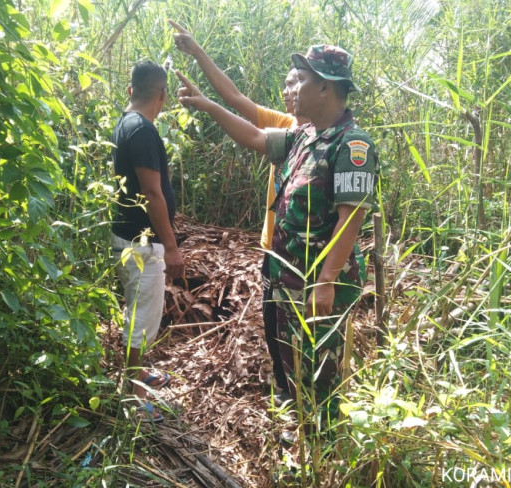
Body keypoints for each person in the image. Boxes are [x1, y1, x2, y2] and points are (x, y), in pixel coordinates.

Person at [176, 45, 379, 433]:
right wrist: (208, 106)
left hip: (318, 285)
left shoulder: (352, 145)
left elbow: (351, 215)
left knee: (320, 378)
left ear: (326, 88)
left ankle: (322, 454)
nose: (293, 87)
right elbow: (253, 135)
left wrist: (326, 281)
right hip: (288, 279)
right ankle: (302, 444)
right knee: (292, 366)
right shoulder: (303, 136)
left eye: (301, 79)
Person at [170, 19, 309, 403]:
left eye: (296, 81)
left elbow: (243, 126)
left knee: (300, 330)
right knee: (273, 324)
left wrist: (206, 101)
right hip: (273, 247)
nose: (288, 90)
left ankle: (301, 398)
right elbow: (235, 98)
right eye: (285, 82)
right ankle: (286, 392)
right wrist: (197, 52)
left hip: (305, 258)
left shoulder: (321, 138)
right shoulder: (285, 125)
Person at [111, 60, 184, 422]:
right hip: (142, 243)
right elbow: (152, 193)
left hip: (130, 238)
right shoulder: (142, 129)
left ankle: (137, 375)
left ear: (130, 91)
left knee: (138, 312)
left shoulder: (127, 123)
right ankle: (137, 403)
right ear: (162, 95)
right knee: (142, 319)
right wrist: (170, 247)